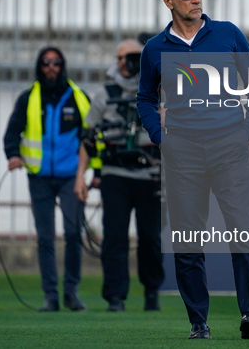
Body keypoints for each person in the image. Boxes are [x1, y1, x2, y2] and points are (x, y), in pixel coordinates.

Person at [136, 0, 249, 339]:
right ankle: (198, 321)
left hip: (230, 148)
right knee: (188, 240)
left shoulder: (228, 34)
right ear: (169, 2)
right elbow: (145, 98)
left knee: (243, 230)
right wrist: (161, 137)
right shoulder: (154, 49)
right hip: (183, 154)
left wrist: (247, 130)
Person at [74, 39, 164, 312]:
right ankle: (115, 297)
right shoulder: (104, 93)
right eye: (124, 57)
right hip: (114, 174)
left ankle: (152, 292)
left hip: (150, 174)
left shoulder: (158, 90)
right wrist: (81, 176)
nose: (129, 62)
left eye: (136, 57)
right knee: (115, 237)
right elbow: (88, 138)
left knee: (150, 238)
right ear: (117, 61)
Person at [3, 46, 89, 312]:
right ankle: (50, 295)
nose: (51, 67)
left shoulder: (78, 97)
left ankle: (71, 292)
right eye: (45, 63)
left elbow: (91, 138)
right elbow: (12, 132)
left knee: (74, 234)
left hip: (70, 178)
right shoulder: (28, 97)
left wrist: (91, 174)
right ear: (39, 67)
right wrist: (13, 155)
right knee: (45, 237)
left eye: (56, 63)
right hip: (38, 177)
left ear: (63, 66)